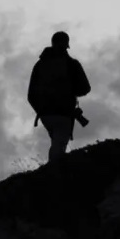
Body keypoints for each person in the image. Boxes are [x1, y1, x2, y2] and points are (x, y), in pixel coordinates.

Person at [27, 31, 91, 163]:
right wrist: (71, 93)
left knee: (57, 142)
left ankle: (52, 173)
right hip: (64, 113)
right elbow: (85, 88)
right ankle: (53, 174)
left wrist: (40, 110)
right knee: (59, 147)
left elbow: (31, 95)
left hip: (45, 115)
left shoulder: (39, 65)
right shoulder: (72, 64)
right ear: (66, 45)